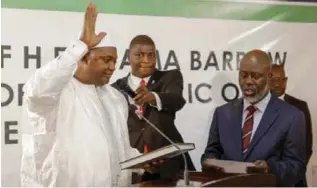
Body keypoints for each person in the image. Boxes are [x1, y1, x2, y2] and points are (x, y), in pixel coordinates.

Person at [20, 3, 141, 187]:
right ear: (83, 57)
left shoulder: (116, 98)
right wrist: (79, 46)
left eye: (115, 61)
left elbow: (117, 147)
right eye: (106, 60)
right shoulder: (57, 93)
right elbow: (36, 91)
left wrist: (141, 162)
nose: (112, 67)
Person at [201, 49, 306, 186]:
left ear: (269, 77)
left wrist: (269, 168)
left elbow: (296, 168)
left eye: (255, 76)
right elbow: (211, 153)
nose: (248, 81)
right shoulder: (222, 114)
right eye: (243, 75)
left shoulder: (292, 117)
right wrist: (210, 162)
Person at [112, 35, 195, 182]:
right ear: (128, 56)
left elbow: (177, 100)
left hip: (170, 166)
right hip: (135, 167)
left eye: (151, 55)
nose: (147, 60)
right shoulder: (116, 88)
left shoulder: (170, 77)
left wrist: (154, 97)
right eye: (140, 55)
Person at [269, 64, 312, 187]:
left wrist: (292, 173)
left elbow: (307, 146)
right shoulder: (259, 108)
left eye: (280, 79)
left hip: (295, 180)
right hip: (267, 179)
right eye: (272, 80)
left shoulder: (300, 107)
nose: (276, 84)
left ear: (285, 81)